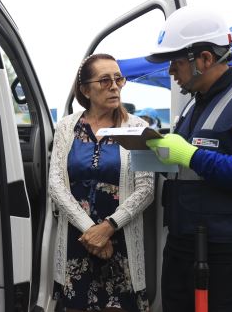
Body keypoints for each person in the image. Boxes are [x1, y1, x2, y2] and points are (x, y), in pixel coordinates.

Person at [144, 6, 232, 312]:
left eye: (175, 62)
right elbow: (186, 170)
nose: (171, 72)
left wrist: (191, 155)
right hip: (181, 250)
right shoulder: (193, 106)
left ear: (204, 59)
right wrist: (157, 157)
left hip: (230, 259)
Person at [49, 53, 154, 312]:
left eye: (118, 79)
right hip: (77, 240)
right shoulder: (66, 128)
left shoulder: (138, 127)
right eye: (105, 80)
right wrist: (91, 231)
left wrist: (108, 228)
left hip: (120, 244)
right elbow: (56, 184)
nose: (115, 86)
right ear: (85, 89)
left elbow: (146, 189)